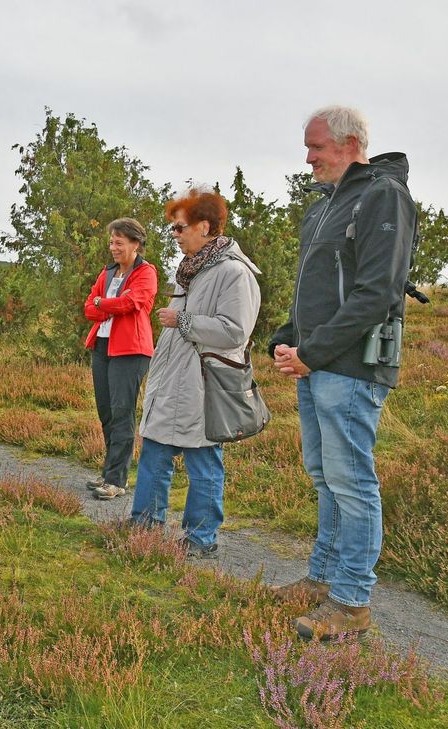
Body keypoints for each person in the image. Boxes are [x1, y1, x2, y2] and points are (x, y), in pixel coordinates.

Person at [269, 106, 416, 640]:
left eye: (316, 147)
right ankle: (322, 578)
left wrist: (315, 351)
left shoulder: (383, 195)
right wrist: (287, 337)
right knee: (324, 476)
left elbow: (377, 293)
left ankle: (351, 601)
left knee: (351, 482)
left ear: (350, 143)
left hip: (352, 367)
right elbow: (316, 289)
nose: (307, 158)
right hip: (319, 364)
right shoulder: (327, 205)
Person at [130, 189, 261, 557]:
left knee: (203, 459)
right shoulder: (191, 270)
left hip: (205, 385)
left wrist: (183, 321)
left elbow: (235, 331)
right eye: (172, 227)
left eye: (180, 226)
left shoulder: (234, 272)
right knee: (155, 451)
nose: (174, 233)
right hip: (173, 379)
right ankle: (144, 526)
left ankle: (201, 539)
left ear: (204, 227)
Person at [84, 218, 158, 500]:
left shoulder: (146, 272)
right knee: (106, 411)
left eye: (119, 242)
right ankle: (109, 472)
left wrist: (104, 303)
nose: (113, 247)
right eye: (111, 242)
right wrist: (105, 305)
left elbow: (132, 303)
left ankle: (117, 479)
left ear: (135, 244)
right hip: (102, 346)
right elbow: (89, 307)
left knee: (121, 412)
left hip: (131, 350)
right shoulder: (108, 272)